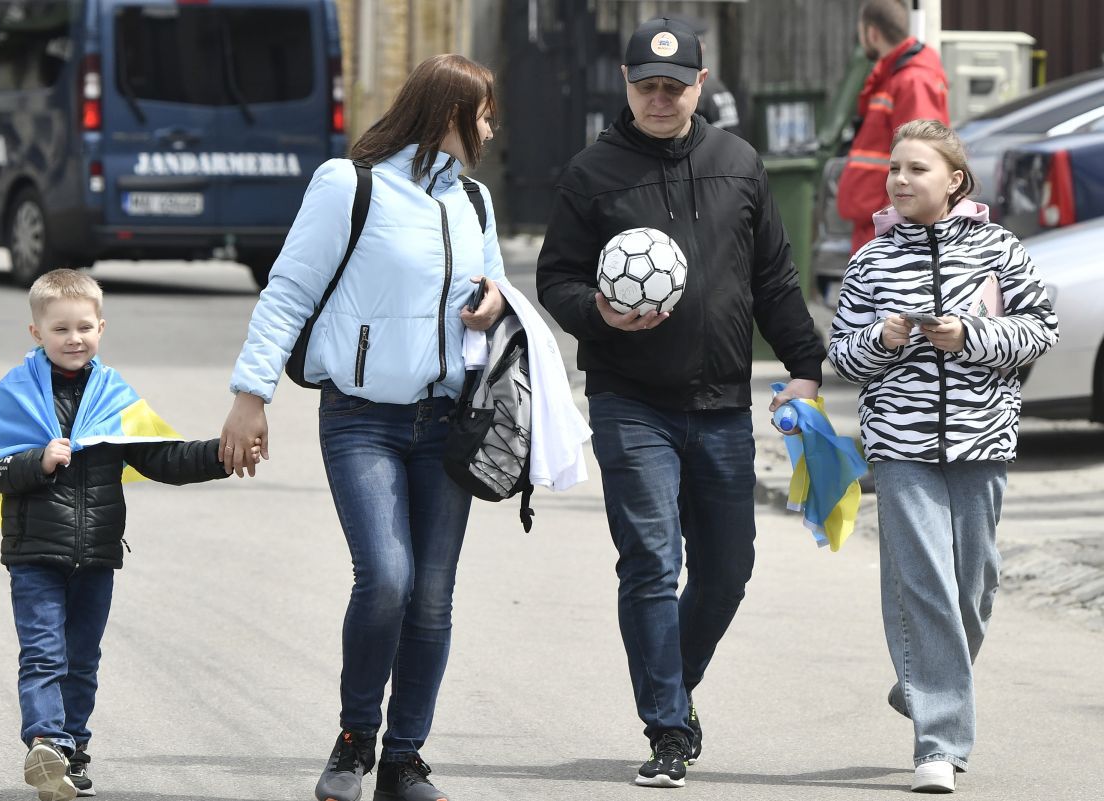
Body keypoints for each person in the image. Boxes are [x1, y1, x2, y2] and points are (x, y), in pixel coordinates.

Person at [535, 15, 826, 789]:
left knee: (729, 569)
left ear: (700, 84)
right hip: (632, 402)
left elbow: (773, 279)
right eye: (646, 86)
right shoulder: (591, 172)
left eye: (675, 85)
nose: (660, 99)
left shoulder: (740, 162)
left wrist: (806, 365)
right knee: (652, 561)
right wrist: (598, 310)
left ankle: (676, 683)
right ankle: (666, 726)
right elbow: (556, 278)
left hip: (723, 402)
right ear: (627, 87)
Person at [219, 54, 507, 801]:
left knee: (433, 595)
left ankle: (404, 760)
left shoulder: (475, 201)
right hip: (361, 419)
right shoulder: (350, 184)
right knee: (386, 578)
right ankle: (355, 742)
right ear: (448, 111)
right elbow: (288, 290)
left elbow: (496, 286)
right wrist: (251, 393)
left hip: (449, 422)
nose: (490, 126)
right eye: (483, 113)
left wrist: (491, 304)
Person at [827, 120, 1058, 793]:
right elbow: (842, 354)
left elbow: (1040, 327)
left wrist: (972, 335)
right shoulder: (871, 260)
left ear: (955, 179)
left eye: (915, 169)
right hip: (901, 447)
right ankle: (940, 743)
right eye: (893, 169)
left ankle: (923, 682)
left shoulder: (999, 249)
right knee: (925, 583)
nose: (898, 180)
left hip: (983, 441)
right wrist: (884, 337)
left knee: (976, 585)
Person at [0, 269, 234, 801]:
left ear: (101, 328)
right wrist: (36, 462)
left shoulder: (114, 396)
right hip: (34, 554)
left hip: (96, 555)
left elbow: (161, 455)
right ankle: (45, 740)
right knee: (45, 655)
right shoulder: (15, 393)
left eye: (84, 328)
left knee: (83, 660)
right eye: (61, 329)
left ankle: (71, 753)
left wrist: (221, 455)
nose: (74, 339)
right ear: (36, 333)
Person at [837, 0, 949, 255]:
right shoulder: (895, 76)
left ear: (872, 33)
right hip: (880, 223)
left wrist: (898, 227)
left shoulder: (912, 79)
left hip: (892, 229)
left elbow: (922, 158)